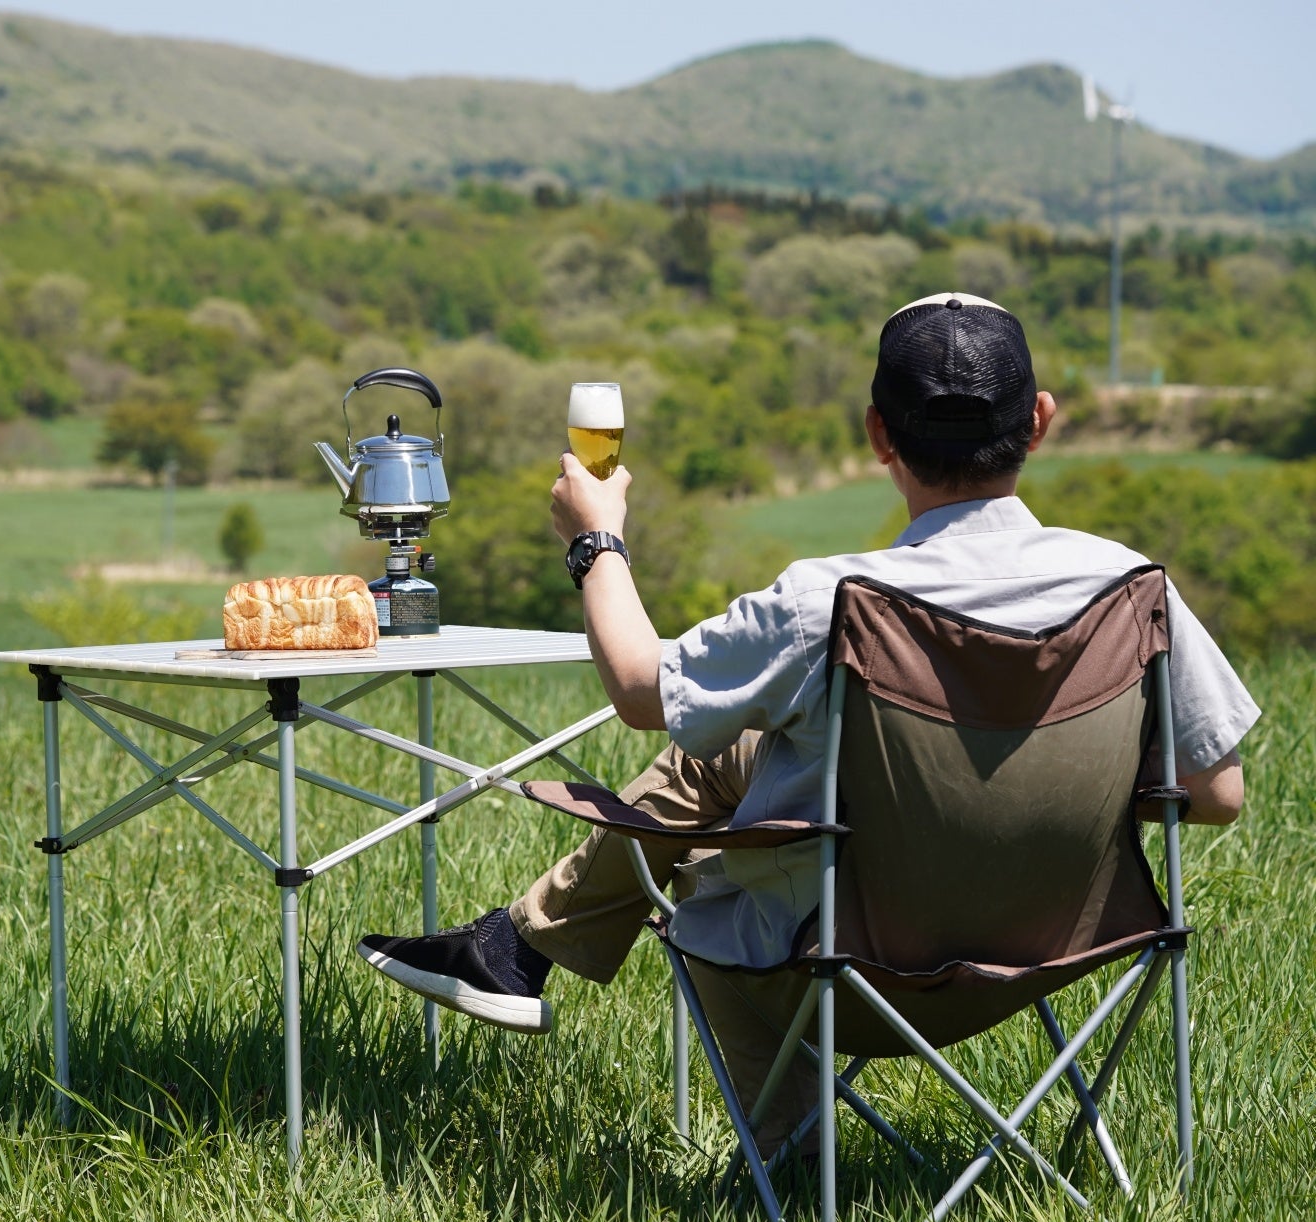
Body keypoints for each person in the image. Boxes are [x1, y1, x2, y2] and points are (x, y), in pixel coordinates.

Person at [357, 293, 1260, 1155]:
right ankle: (518, 945)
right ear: (1040, 421)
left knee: (707, 881)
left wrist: (596, 539)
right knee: (727, 757)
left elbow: (640, 690)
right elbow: (1217, 792)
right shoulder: (1132, 587)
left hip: (854, 970)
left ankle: (789, 1152)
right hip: (1065, 948)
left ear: (878, 435)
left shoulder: (829, 602)